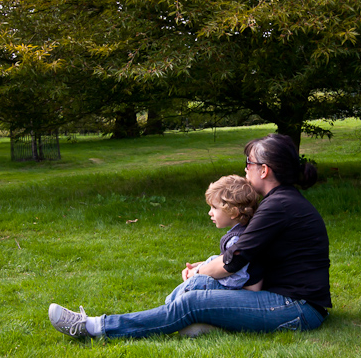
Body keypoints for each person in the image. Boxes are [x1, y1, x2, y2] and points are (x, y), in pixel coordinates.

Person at [48, 133, 331, 339]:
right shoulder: (280, 202)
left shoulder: (278, 206)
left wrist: (199, 271)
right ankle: (197, 326)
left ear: (264, 169)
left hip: (297, 308)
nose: (245, 168)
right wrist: (202, 269)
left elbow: (231, 263)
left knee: (194, 299)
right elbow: (245, 255)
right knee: (198, 293)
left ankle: (94, 327)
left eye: (248, 163)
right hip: (284, 300)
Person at [165, 174, 262, 309]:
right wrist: (205, 264)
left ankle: (170, 308)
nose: (210, 213)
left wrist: (207, 275)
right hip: (243, 287)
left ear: (233, 212)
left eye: (214, 208)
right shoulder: (244, 231)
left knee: (196, 283)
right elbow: (226, 260)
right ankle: (171, 306)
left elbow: (237, 277)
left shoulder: (237, 239)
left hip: (242, 291)